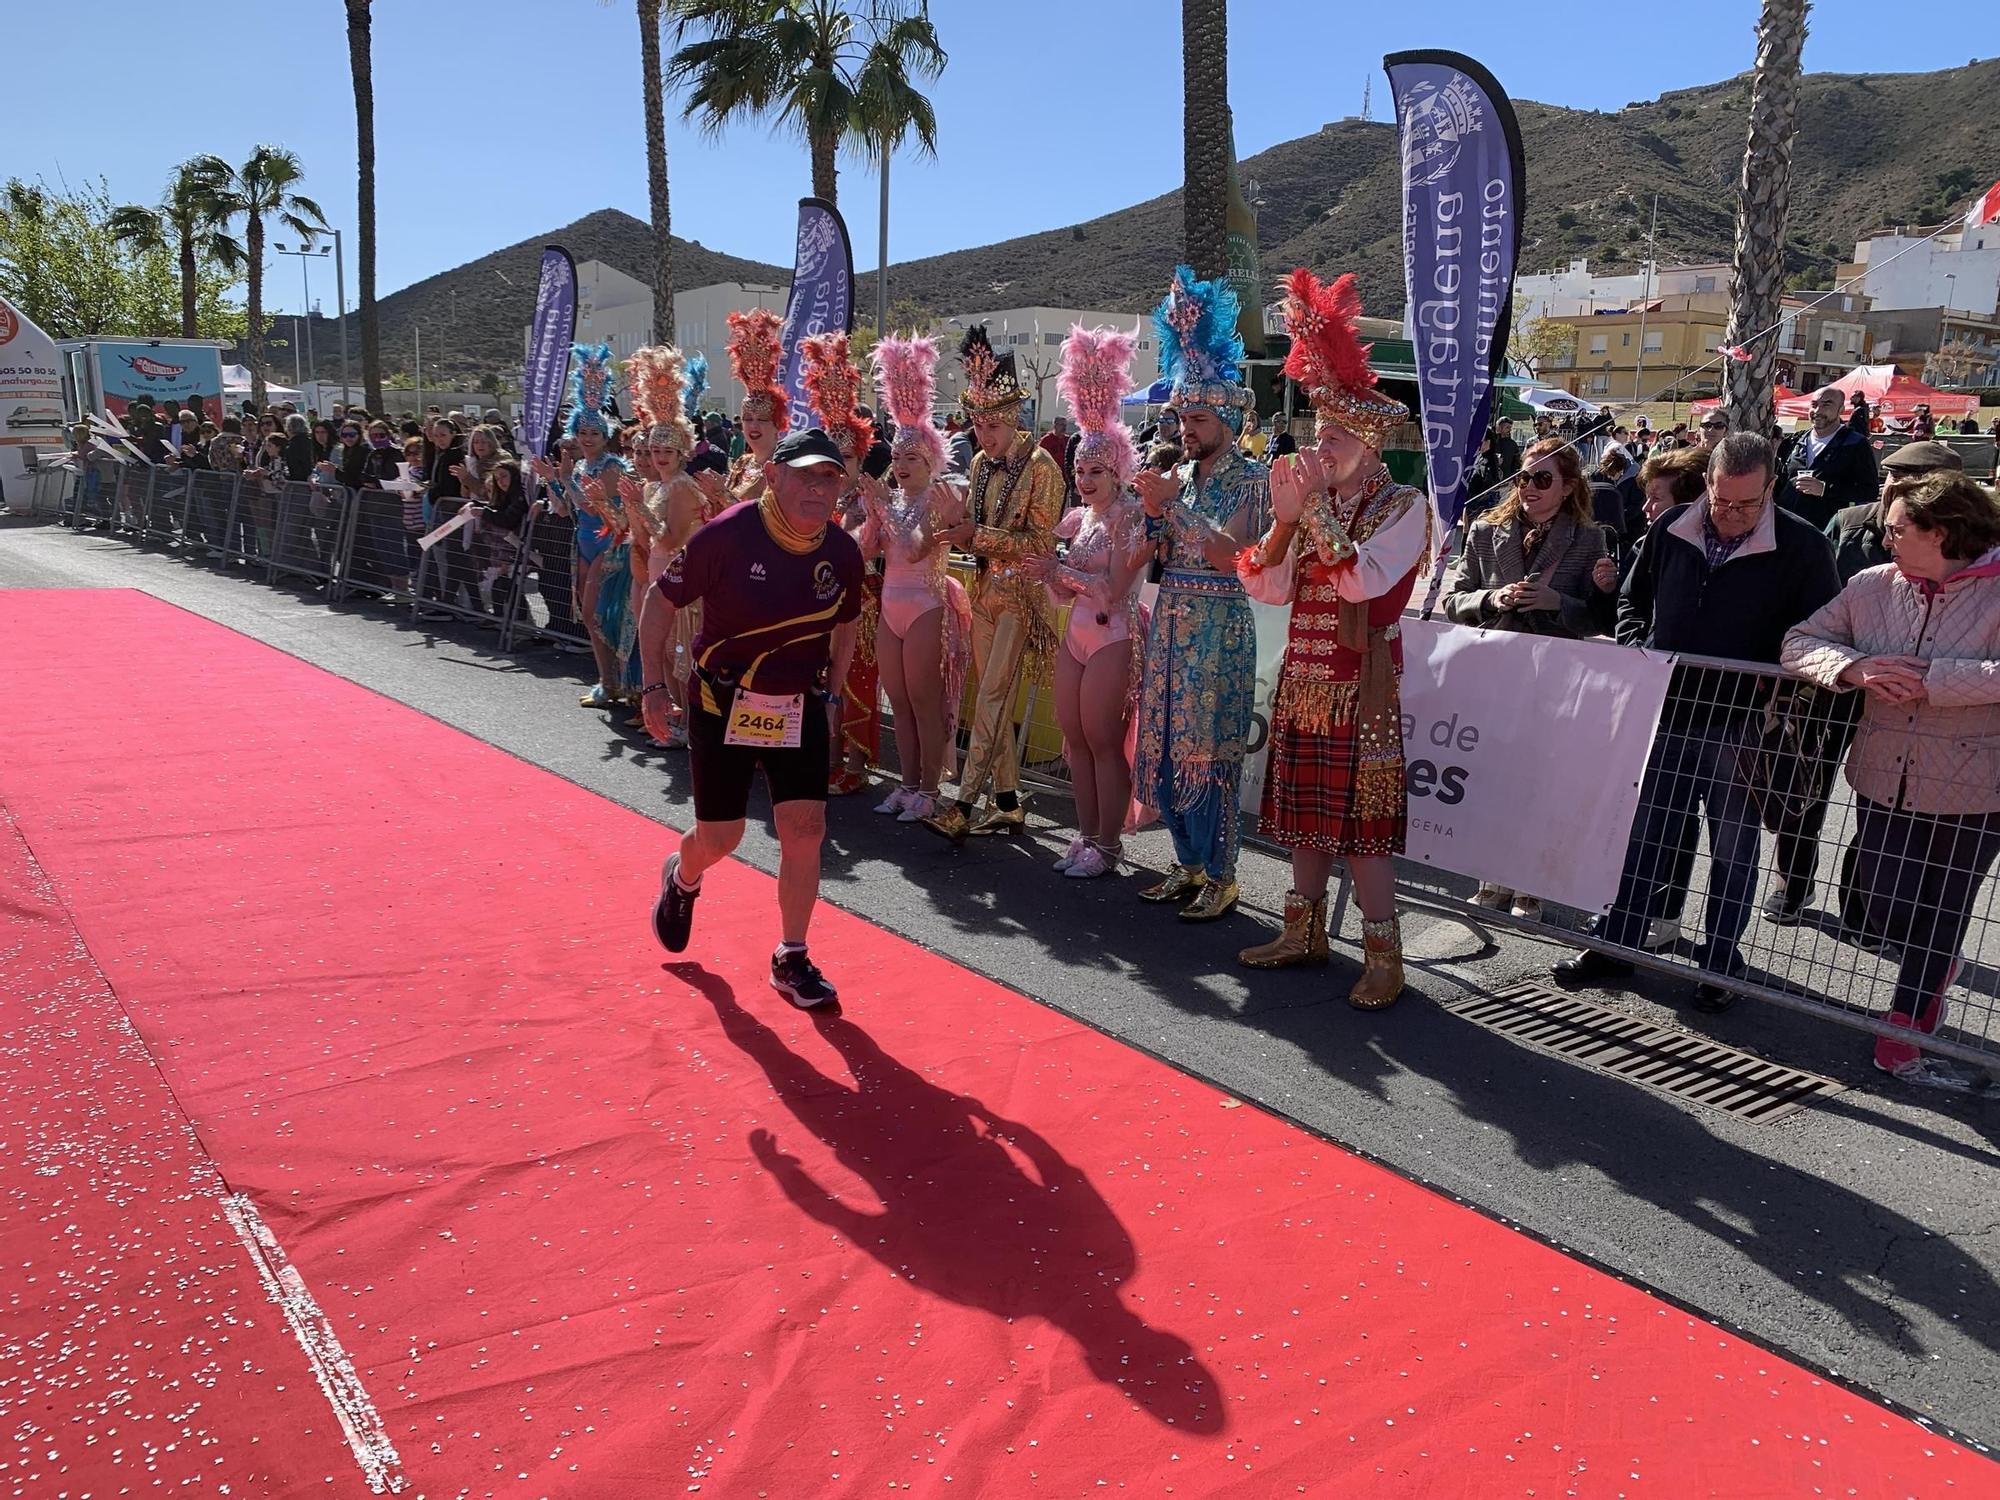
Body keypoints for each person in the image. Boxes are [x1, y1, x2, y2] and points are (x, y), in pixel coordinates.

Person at [1556, 433, 1841, 1010]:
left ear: (1771, 490)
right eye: (1721, 501)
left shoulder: (1805, 546)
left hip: (1743, 722)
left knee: (1733, 847)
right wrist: (1641, 645)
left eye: (1747, 504)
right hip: (1665, 710)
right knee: (1642, 832)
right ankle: (1618, 944)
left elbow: (1821, 631)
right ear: (1707, 484)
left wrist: (1773, 674)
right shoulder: (1672, 527)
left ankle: (1720, 964)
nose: (1731, 515)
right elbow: (1637, 598)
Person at [1234, 269, 1428, 1005]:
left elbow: (1361, 582)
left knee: (1364, 833)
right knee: (1303, 821)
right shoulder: (1317, 504)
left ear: (1373, 443)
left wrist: (1306, 510)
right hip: (1305, 681)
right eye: (1322, 432)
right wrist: (1286, 521)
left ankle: (1384, 957)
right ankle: (1305, 931)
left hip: (1361, 689)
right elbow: (1267, 584)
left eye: (1340, 435)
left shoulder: (1402, 506)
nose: (1326, 444)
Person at [1782, 473, 2000, 1089]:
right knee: (1882, 902)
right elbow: (1798, 642)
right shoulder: (1871, 585)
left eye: (1898, 528)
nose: (1884, 536)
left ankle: (1904, 1031)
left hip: (1976, 787)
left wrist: (1933, 680)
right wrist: (1855, 668)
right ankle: (1936, 968)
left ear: (1941, 532)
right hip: (1883, 777)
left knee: (1943, 911)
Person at [639, 427, 864, 1010]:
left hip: (797, 704)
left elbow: (847, 622)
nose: (819, 489)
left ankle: (792, 956)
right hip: (721, 701)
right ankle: (683, 876)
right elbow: (660, 600)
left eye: (829, 477)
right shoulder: (729, 535)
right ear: (773, 477)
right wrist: (654, 685)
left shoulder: (840, 551)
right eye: (806, 476)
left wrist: (834, 695)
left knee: (806, 830)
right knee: (723, 837)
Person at [1129, 266, 1271, 922]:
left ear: (1227, 417)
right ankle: (1186, 863)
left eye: (1198, 415)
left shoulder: (1253, 481)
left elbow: (1232, 555)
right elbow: (1164, 550)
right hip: (1170, 620)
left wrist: (1175, 512)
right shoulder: (1177, 473)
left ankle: (1223, 874)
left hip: (1217, 624)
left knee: (1206, 749)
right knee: (1161, 742)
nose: (1186, 425)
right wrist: (1151, 517)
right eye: (1182, 413)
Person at [1440, 436, 1611, 920]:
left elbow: (1601, 617)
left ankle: (1529, 886)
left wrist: (1558, 604)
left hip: (1552, 676)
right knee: (1490, 776)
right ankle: (1490, 877)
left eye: (1542, 479)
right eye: (1523, 477)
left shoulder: (1588, 538)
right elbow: (1456, 600)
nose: (1530, 488)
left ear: (1568, 485)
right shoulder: (1484, 532)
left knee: (1537, 782)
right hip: (1494, 669)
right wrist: (1493, 600)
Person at [921, 325, 1063, 841]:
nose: (984, 435)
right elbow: (975, 532)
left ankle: (963, 802)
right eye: (978, 424)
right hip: (983, 589)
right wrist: (960, 529)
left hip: (1021, 595)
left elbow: (1041, 544)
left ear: (1014, 417)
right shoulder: (979, 463)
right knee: (990, 696)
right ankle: (1006, 800)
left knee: (993, 696)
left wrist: (973, 532)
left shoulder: (1044, 466)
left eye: (993, 424)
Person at [1037, 325, 1151, 879]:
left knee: (1104, 741)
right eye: (1079, 469)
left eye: (1096, 470)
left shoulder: (1131, 518)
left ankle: (1109, 846)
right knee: (1073, 740)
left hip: (1112, 635)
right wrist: (1048, 574)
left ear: (1119, 469)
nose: (1084, 478)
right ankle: (1084, 838)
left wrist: (1058, 569)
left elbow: (1113, 590)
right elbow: (1063, 592)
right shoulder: (1080, 520)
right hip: (1077, 633)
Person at [860, 333, 971, 823]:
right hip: (890, 606)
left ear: (931, 462)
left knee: (925, 699)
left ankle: (930, 787)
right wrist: (869, 513)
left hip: (926, 606)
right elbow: (866, 552)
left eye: (912, 459)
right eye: (898, 458)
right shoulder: (893, 498)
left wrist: (884, 511)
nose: (901, 466)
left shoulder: (937, 499)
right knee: (898, 699)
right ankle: (906, 784)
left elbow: (918, 548)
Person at [799, 332, 885, 795]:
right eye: (830, 459)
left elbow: (865, 552)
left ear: (860, 458)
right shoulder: (815, 498)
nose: (838, 466)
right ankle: (826, 756)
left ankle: (855, 764)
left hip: (861, 603)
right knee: (821, 677)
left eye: (846, 458)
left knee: (855, 679)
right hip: (817, 603)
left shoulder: (868, 500)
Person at [531, 345, 632, 707]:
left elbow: (592, 504)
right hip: (584, 541)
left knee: (601, 615)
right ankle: (609, 681)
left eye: (595, 433)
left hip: (610, 544)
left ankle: (619, 682)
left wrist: (564, 479)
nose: (588, 438)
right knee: (590, 616)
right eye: (583, 432)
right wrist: (552, 481)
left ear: (606, 437)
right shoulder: (579, 467)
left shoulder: (611, 467)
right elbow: (566, 510)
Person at [1778, 386, 1877, 531]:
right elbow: (1780, 481)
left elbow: (1869, 491)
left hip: (1825, 533)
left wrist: (1825, 489)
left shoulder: (1855, 444)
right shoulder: (1795, 441)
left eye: (1827, 404)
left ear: (1841, 409)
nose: (1818, 411)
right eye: (1814, 405)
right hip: (1786, 530)